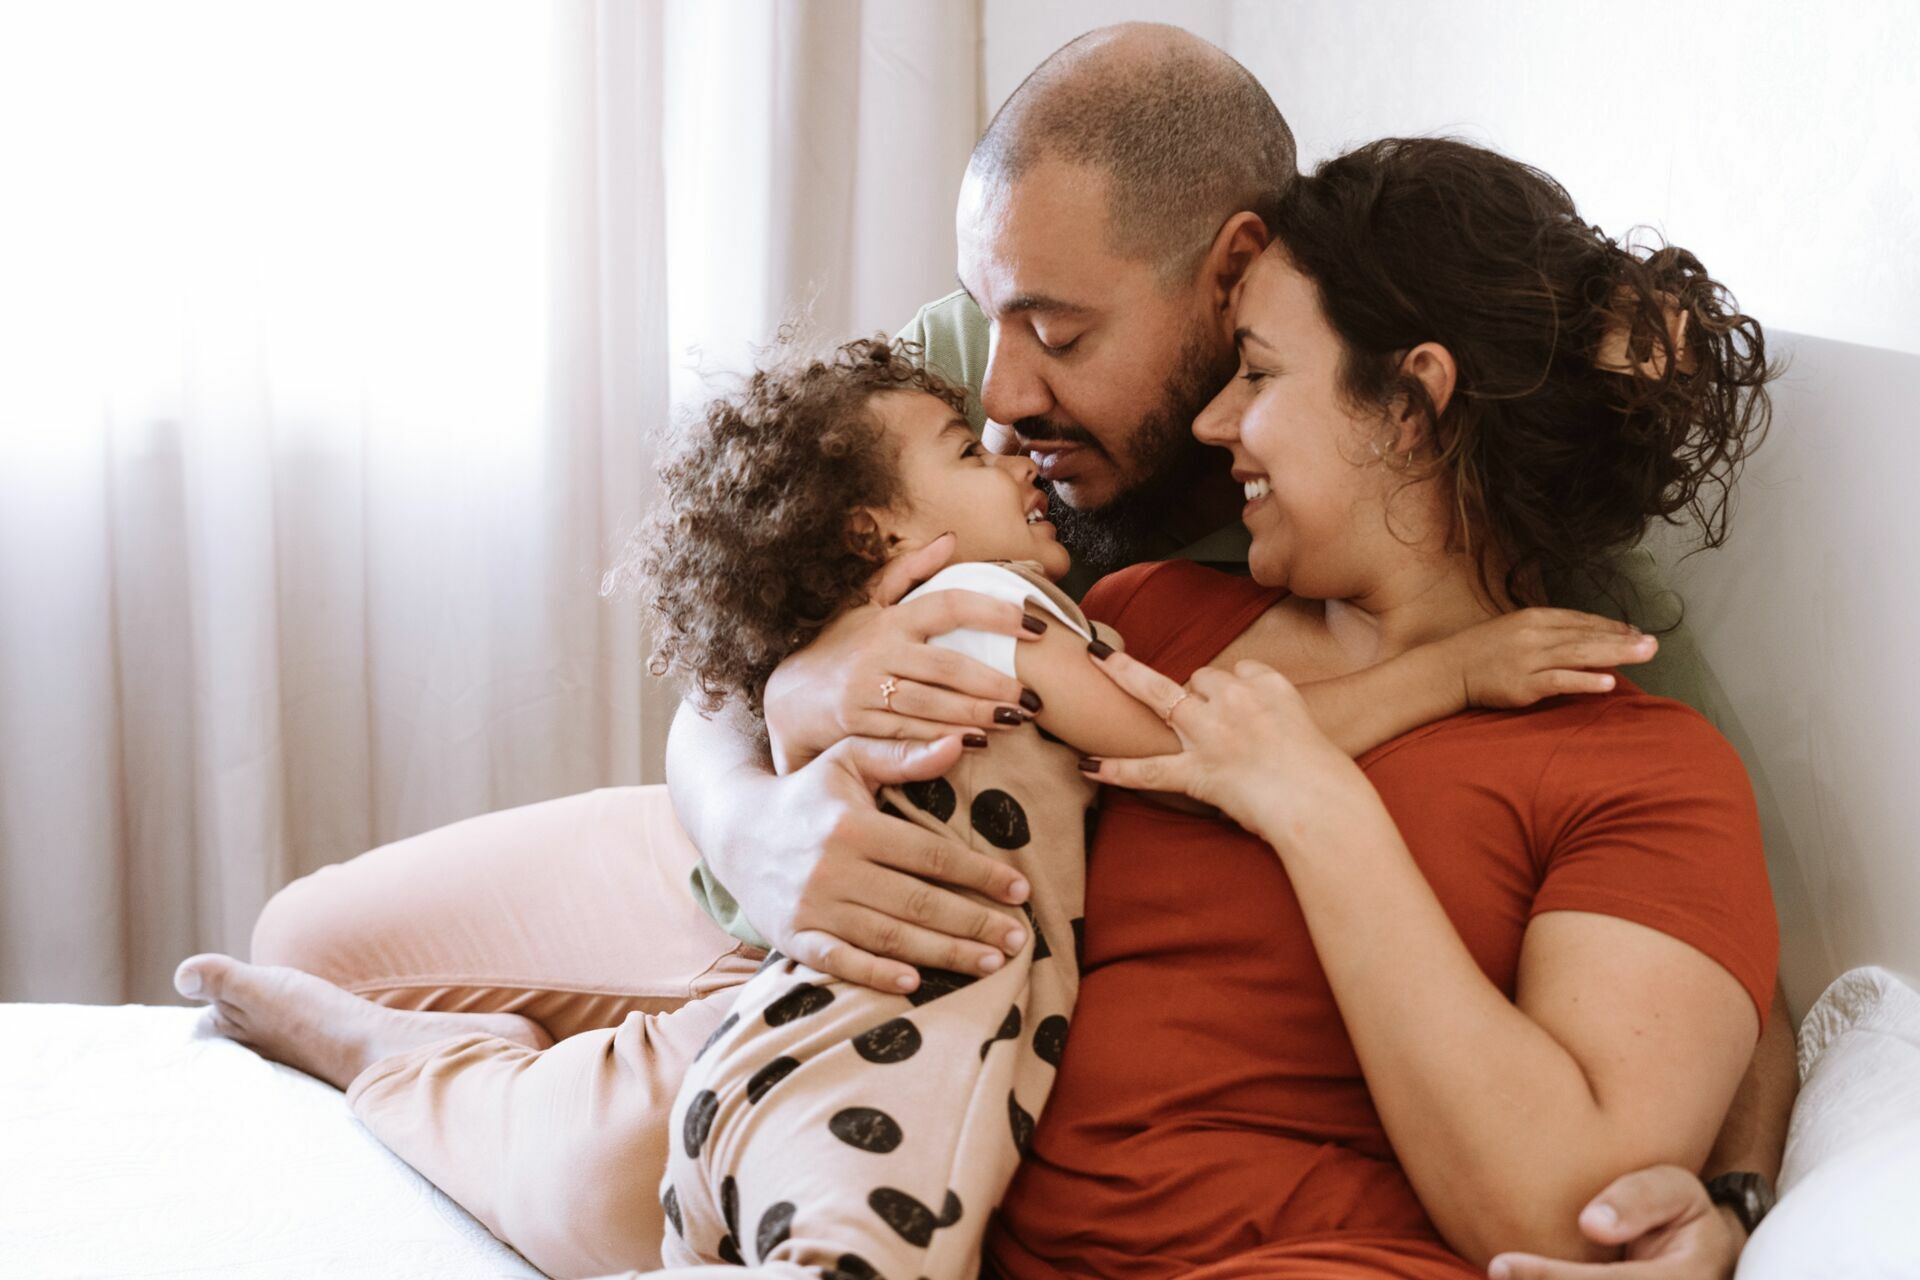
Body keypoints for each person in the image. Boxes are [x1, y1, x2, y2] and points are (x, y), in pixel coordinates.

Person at [172, 22, 1792, 1280]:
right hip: (832, 924)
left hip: (941, 1078)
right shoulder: (1023, 400)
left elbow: (1715, 981)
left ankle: (476, 1077)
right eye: (992, 321)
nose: (1004, 390)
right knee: (318, 943)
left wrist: (1733, 1202)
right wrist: (769, 772)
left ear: (1249, 287)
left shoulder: (1594, 658)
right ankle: (431, 1055)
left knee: (601, 1158)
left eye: (1067, 335)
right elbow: (814, 603)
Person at [632, 333, 1654, 1277]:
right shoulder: (989, 608)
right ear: (879, 530)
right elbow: (1200, 744)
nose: (1010, 451)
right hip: (896, 1050)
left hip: (775, 1053)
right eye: (967, 456)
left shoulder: (933, 627)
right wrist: (1454, 673)